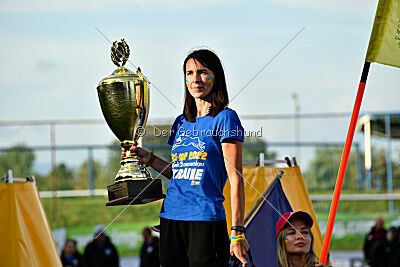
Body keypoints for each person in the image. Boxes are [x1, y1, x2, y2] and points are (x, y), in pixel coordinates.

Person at [129, 49, 249, 266]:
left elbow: (236, 179)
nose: (195, 79)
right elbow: (180, 172)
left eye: (203, 72)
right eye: (189, 73)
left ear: (216, 76)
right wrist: (149, 159)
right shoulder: (181, 122)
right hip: (170, 217)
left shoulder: (226, 118)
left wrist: (237, 231)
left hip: (205, 218)